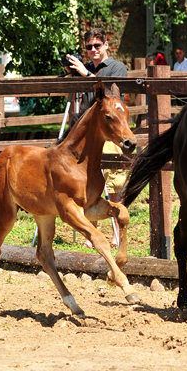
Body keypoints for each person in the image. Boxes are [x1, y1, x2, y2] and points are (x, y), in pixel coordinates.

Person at [66, 28, 128, 248]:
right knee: (85, 185)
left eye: (97, 46)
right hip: (85, 136)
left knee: (113, 184)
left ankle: (117, 234)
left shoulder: (117, 68)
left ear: (106, 45)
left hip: (109, 132)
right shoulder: (85, 68)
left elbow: (111, 98)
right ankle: (92, 234)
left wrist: (86, 75)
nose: (92, 50)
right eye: (89, 47)